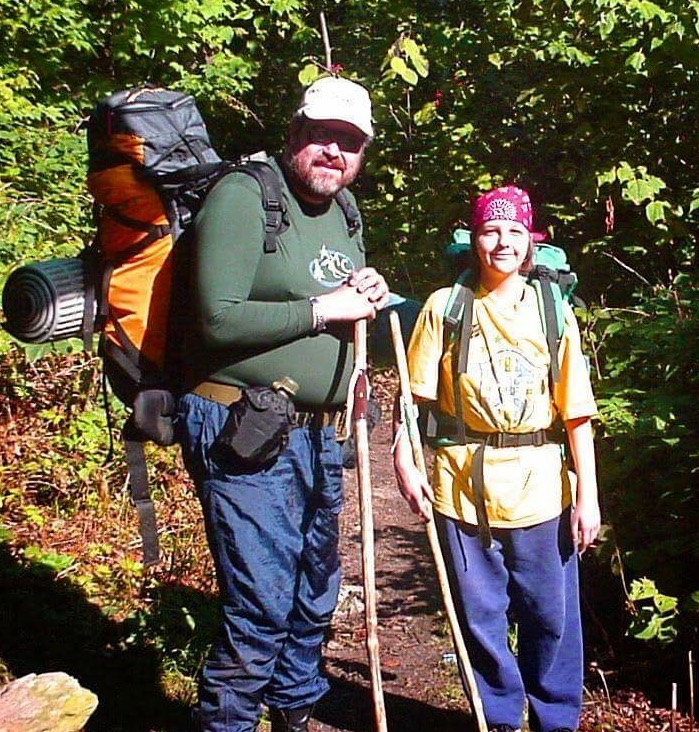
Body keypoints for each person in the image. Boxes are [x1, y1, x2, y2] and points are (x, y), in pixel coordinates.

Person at [176, 76, 389, 732]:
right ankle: (229, 723)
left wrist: (366, 290)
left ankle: (293, 714)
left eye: (349, 142)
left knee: (311, 596)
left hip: (319, 434)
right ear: (294, 131)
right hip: (245, 427)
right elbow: (216, 318)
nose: (333, 152)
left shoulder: (344, 208)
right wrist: (325, 308)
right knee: (261, 604)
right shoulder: (245, 196)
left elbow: (334, 292)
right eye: (321, 135)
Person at [392, 185, 600, 732]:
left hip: (542, 489)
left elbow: (577, 412)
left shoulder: (552, 311)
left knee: (551, 618)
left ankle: (556, 721)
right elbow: (413, 400)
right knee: (480, 618)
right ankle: (498, 720)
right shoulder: (445, 307)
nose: (502, 242)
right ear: (474, 239)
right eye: (490, 230)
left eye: (514, 232)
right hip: (463, 489)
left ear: (530, 242)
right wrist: (405, 460)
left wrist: (589, 497)